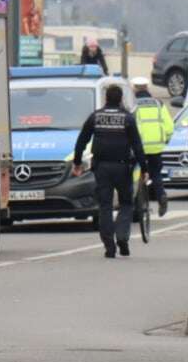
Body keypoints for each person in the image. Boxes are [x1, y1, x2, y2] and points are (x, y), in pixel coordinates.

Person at [73, 84, 148, 258]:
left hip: (102, 168)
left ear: (106, 98)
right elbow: (137, 145)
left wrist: (77, 162)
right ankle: (122, 236)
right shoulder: (127, 118)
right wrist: (144, 168)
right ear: (121, 99)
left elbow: (81, 140)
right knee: (126, 204)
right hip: (123, 167)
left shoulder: (96, 116)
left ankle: (109, 246)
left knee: (105, 206)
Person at [132, 77, 174, 217]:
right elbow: (169, 127)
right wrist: (165, 140)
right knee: (156, 174)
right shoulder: (158, 103)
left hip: (139, 148)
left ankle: (137, 204)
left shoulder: (133, 105)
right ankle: (161, 196)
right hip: (156, 147)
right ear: (147, 88)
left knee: (136, 175)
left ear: (135, 88)